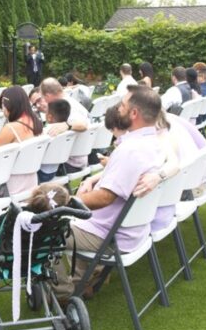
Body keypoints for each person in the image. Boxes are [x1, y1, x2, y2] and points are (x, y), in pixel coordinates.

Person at [53, 86, 166, 300]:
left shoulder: (131, 150)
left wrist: (65, 202)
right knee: (73, 219)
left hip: (110, 236)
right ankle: (83, 282)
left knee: (41, 229)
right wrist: (93, 179)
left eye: (122, 105)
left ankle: (63, 294)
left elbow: (104, 198)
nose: (118, 108)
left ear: (133, 114)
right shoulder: (154, 143)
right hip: (131, 231)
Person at [0, 86, 44, 197]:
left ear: (8, 105)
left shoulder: (11, 128)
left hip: (9, 185)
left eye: (2, 105)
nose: (2, 109)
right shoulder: (37, 122)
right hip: (31, 181)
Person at [38, 98, 73, 182]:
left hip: (41, 173)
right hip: (53, 171)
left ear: (49, 117)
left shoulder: (47, 131)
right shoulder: (68, 130)